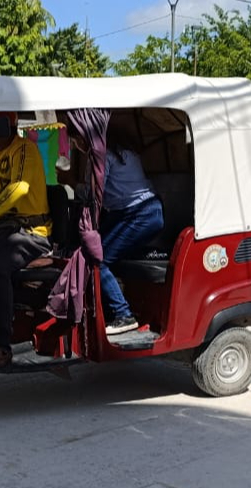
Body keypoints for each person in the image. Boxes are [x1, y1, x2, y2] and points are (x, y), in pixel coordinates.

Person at [0, 114, 52, 369]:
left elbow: (19, 187)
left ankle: (2, 343)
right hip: (4, 229)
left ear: (5, 132)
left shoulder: (24, 148)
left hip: (33, 232)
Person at [98, 125, 164, 335]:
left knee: (98, 260)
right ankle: (112, 304)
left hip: (138, 214)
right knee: (103, 249)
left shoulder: (106, 156)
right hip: (147, 211)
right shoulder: (127, 153)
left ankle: (123, 314)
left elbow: (96, 191)